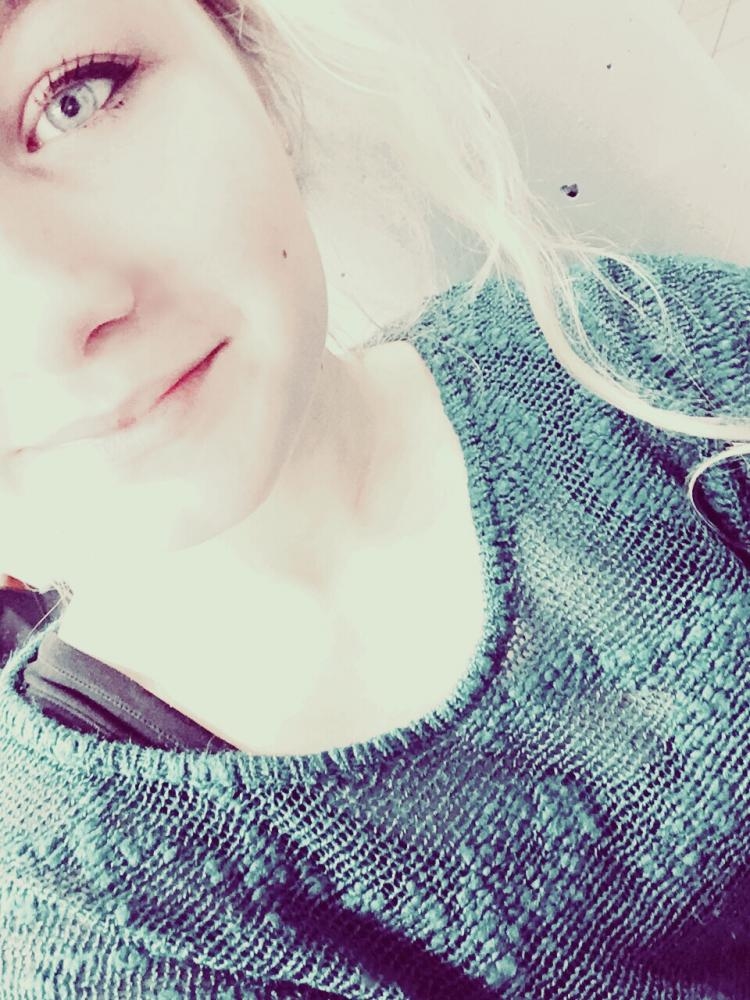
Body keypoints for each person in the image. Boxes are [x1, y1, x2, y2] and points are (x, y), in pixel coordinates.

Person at [1, 0, 749, 996]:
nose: (53, 311)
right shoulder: (85, 913)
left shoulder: (623, 345)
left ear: (246, 59)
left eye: (75, 96)